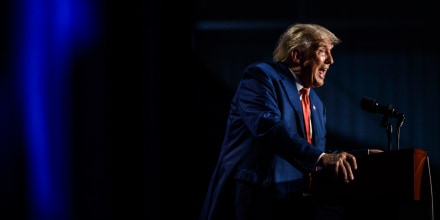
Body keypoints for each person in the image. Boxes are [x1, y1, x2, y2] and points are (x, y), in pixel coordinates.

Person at [199, 23, 383, 220]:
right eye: (323, 51)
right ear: (297, 55)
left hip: (294, 203)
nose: (331, 60)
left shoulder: (316, 104)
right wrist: (322, 157)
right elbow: (269, 127)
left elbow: (313, 154)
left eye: (331, 53)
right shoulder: (261, 77)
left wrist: (361, 157)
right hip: (255, 199)